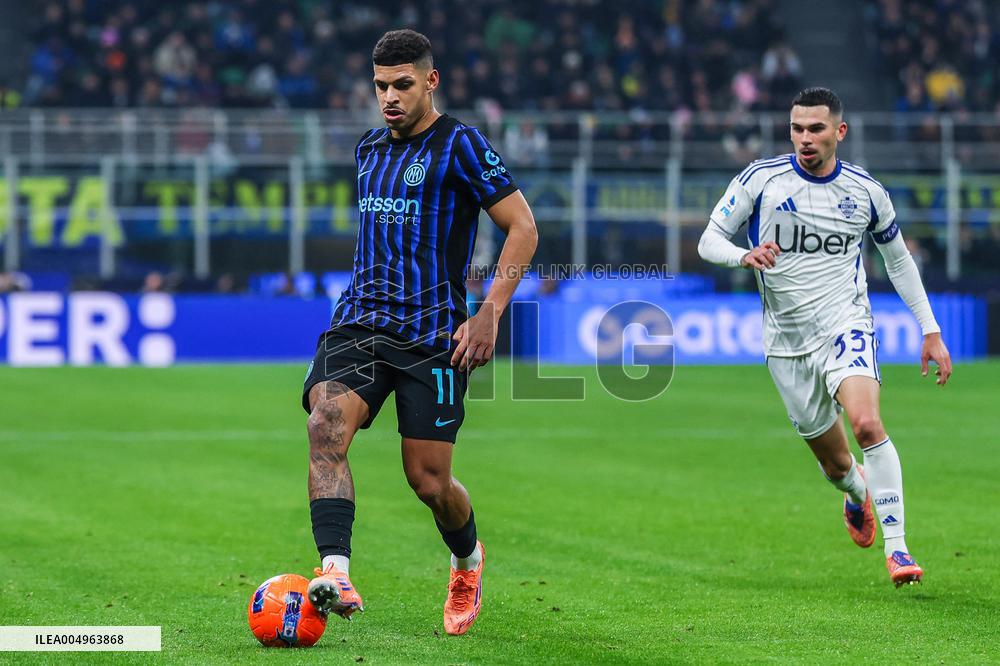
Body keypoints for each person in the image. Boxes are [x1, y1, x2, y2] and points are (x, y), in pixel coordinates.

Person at [301, 29, 537, 635]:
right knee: (325, 424)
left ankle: (466, 561)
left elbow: (522, 227)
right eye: (380, 86)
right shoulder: (368, 150)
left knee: (429, 480)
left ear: (431, 81)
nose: (389, 97)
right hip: (359, 322)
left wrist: (489, 311)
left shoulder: (461, 144)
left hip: (432, 335)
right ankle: (335, 569)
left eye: (402, 84)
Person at [697, 87, 952, 587]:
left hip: (846, 322)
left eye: (816, 128)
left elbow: (897, 261)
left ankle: (898, 551)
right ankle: (857, 496)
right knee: (837, 464)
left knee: (866, 424)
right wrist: (741, 255)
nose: (805, 138)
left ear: (840, 131)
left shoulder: (866, 192)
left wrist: (930, 329)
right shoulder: (761, 179)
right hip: (786, 341)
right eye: (797, 128)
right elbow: (709, 239)